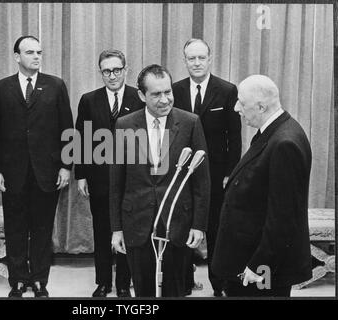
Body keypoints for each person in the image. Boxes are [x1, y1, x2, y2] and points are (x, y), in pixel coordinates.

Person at [110, 64, 210, 297]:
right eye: (156, 94)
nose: (165, 99)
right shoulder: (124, 125)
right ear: (142, 95)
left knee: (175, 290)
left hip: (177, 225)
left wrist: (199, 225)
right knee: (144, 293)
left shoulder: (190, 123)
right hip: (137, 223)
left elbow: (202, 182)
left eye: (168, 92)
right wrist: (116, 229)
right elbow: (116, 183)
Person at [0, 36, 74, 298]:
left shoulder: (55, 86)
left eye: (39, 52)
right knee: (15, 228)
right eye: (29, 52)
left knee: (41, 228)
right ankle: (17, 280)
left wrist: (66, 166)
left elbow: (67, 130)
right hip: (12, 173)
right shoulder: (1, 88)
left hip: (47, 172)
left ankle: (39, 281)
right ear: (17, 56)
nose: (36, 56)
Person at [211, 75, 312, 297]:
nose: (237, 108)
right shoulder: (272, 132)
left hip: (259, 268)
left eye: (242, 103)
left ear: (261, 106)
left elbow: (283, 219)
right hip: (246, 258)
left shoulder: (285, 143)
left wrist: (258, 267)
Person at [172, 38, 242, 296]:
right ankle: (183, 283)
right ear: (185, 61)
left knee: (214, 230)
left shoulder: (227, 90)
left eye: (202, 57)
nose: (197, 63)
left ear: (210, 58)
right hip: (182, 174)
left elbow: (234, 137)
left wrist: (230, 173)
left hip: (215, 176)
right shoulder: (174, 90)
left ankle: (218, 285)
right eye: (192, 58)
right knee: (180, 228)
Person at [75, 49, 141, 297]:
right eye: (106, 71)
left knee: (129, 230)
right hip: (99, 178)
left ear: (126, 70)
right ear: (100, 72)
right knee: (102, 230)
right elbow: (80, 139)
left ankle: (124, 284)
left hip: (133, 179)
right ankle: (103, 282)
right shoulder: (89, 100)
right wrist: (81, 175)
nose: (112, 75)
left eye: (116, 70)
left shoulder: (139, 98)